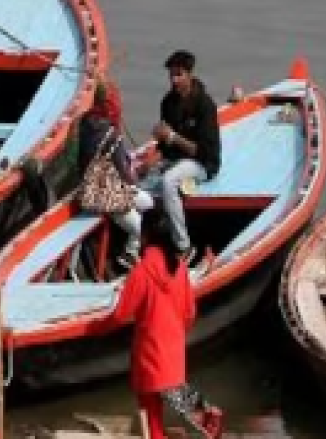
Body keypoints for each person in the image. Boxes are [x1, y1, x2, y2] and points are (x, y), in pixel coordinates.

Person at [110, 208, 223, 439]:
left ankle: (165, 432)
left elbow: (120, 315)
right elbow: (189, 311)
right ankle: (207, 415)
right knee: (173, 389)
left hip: (149, 348)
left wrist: (94, 327)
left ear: (144, 237)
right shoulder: (180, 269)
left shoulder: (141, 272)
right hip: (173, 344)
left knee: (151, 407)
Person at [141, 50, 220, 256]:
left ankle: (184, 246)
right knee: (141, 181)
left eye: (179, 75)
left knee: (168, 181)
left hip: (202, 164)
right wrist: (152, 159)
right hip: (174, 159)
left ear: (190, 74)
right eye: (171, 75)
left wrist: (172, 137)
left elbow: (202, 151)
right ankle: (146, 237)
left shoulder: (205, 105)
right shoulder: (167, 103)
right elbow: (165, 147)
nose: (174, 80)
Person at [77, 114, 153, 266]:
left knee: (146, 203)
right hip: (111, 199)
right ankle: (129, 253)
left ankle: (131, 251)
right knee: (142, 224)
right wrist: (135, 181)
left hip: (93, 194)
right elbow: (124, 172)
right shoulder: (113, 138)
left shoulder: (84, 138)